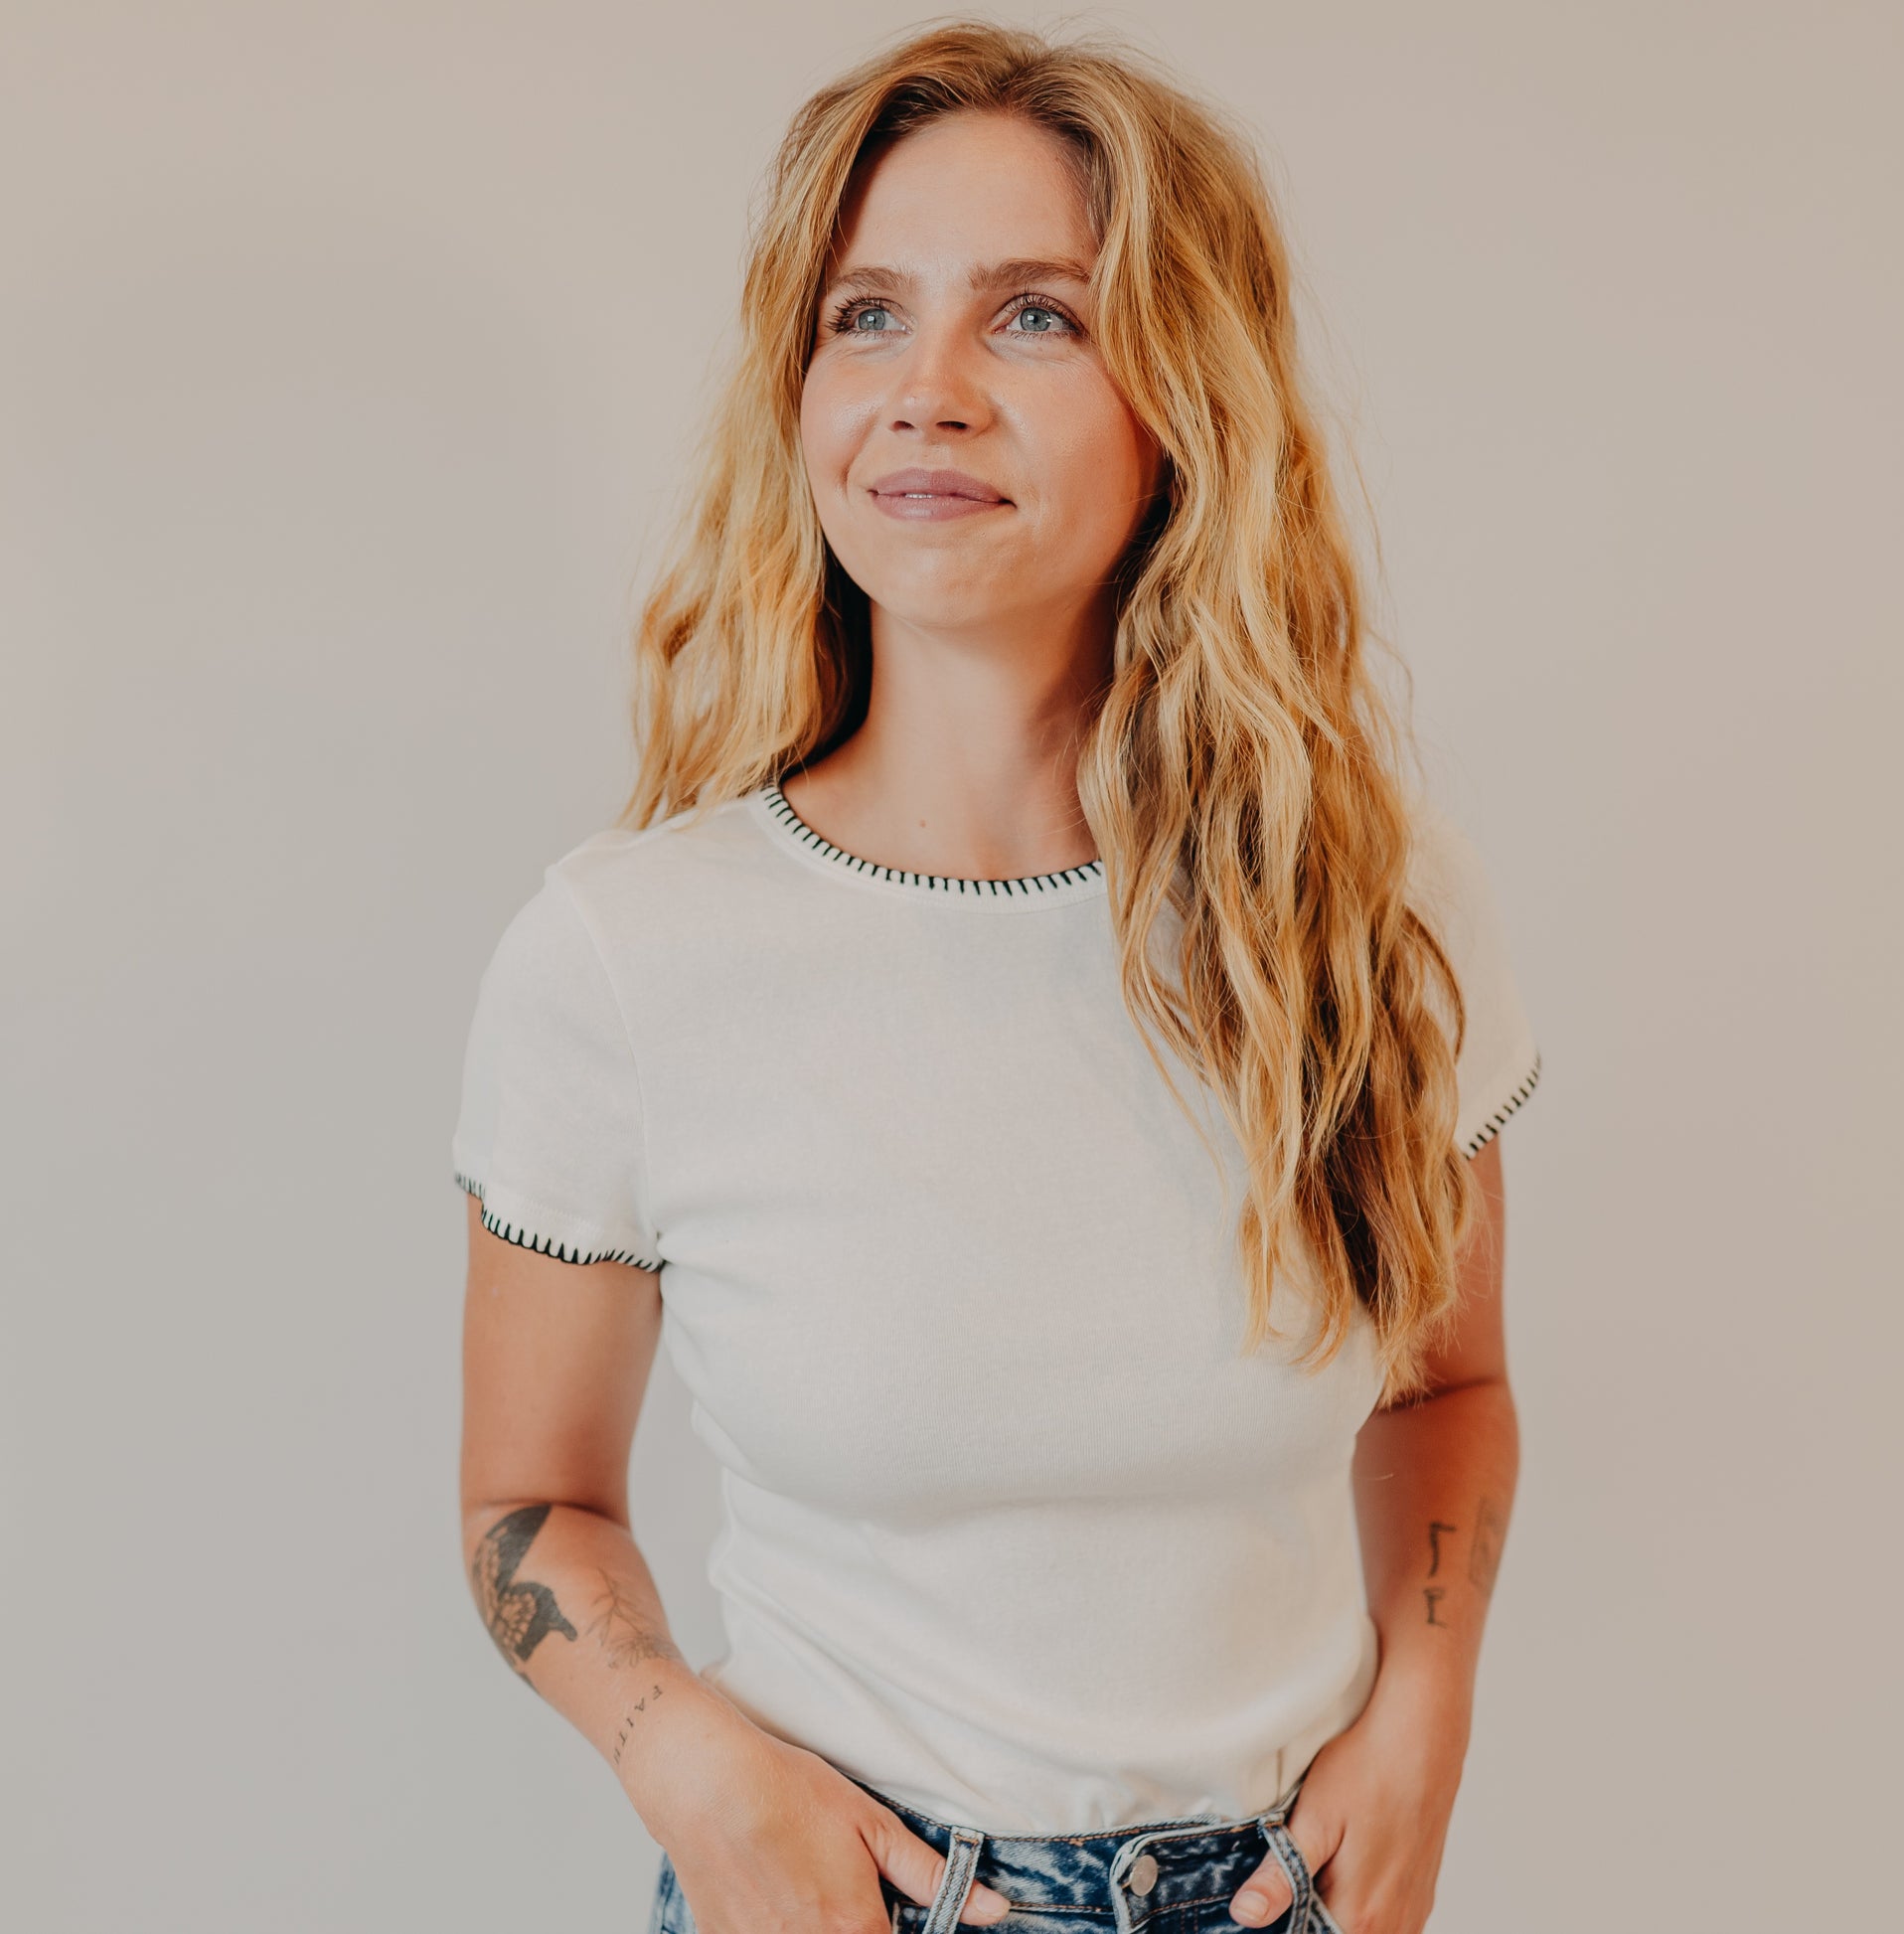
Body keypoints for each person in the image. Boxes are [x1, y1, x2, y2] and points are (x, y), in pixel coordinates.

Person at [451, 21, 1542, 1934]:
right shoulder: (623, 955)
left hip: (1286, 1894)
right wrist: (683, 1759)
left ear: (1184, 397)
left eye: (1033, 317)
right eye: (865, 316)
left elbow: (1445, 1382)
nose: (925, 393)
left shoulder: (1364, 910)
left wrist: (1425, 1715)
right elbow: (527, 1501)